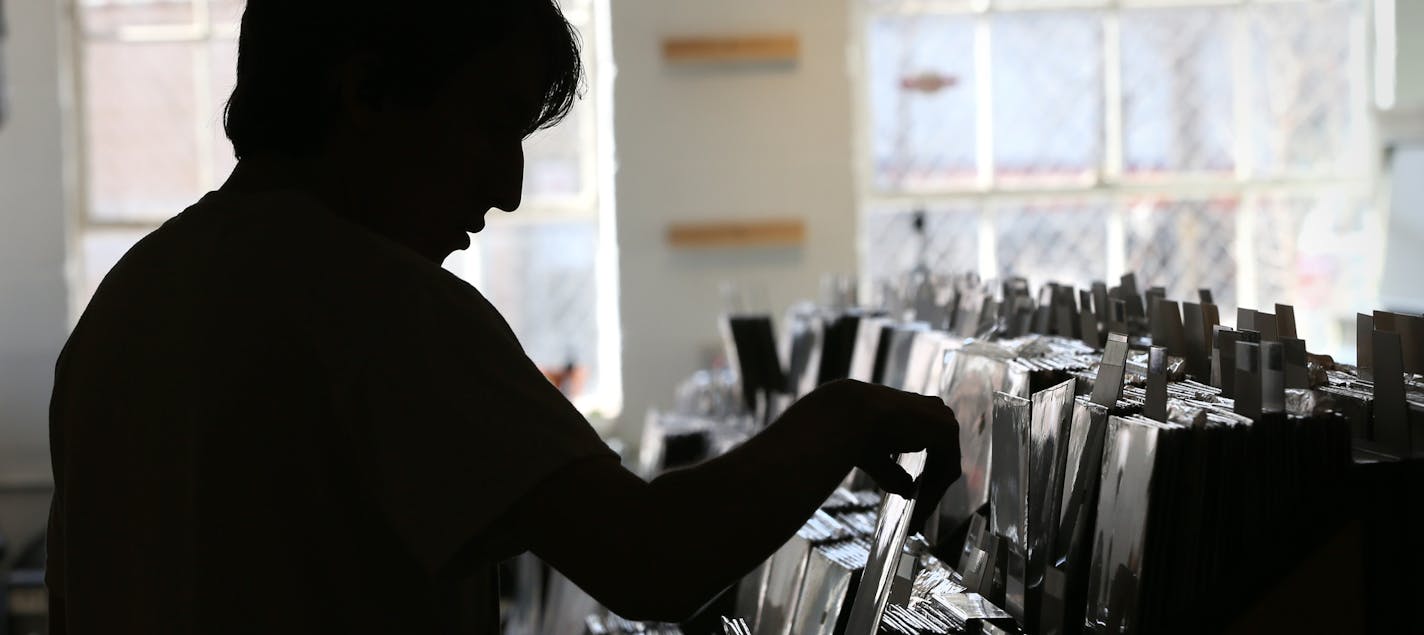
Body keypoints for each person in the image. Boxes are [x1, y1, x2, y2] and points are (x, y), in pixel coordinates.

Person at [45, 1, 961, 633]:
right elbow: (654, 558)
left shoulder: (130, 301)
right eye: (491, 127)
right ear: (365, 96)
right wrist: (844, 415)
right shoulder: (383, 307)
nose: (509, 189)